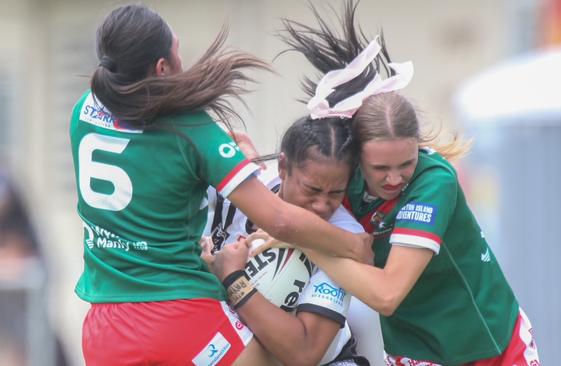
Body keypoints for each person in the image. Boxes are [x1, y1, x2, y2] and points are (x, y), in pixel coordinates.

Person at [69, 4, 371, 365]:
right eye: (177, 51)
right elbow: (279, 219)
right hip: (178, 313)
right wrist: (352, 245)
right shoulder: (189, 127)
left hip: (104, 326)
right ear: (162, 68)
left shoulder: (84, 110)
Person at [271, 1, 541, 365]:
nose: (395, 178)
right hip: (413, 350)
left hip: (488, 344)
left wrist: (304, 238)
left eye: (406, 163)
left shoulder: (433, 180)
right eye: (380, 167)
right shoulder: (341, 181)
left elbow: (386, 295)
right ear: (357, 159)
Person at [203, 115, 384, 366]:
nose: (321, 206)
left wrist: (233, 279)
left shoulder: (345, 238)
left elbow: (305, 353)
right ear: (283, 167)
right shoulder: (238, 189)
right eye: (311, 190)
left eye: (335, 193)